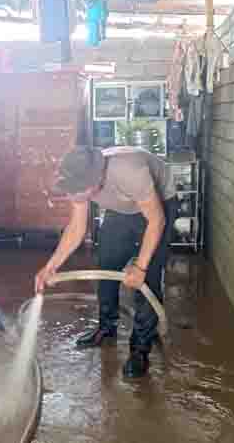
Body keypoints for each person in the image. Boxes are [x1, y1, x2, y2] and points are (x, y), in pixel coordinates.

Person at [34, 145, 177, 378]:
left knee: (148, 278)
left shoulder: (130, 171)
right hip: (121, 206)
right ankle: (106, 327)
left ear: (96, 180)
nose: (73, 197)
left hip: (158, 204)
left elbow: (156, 220)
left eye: (77, 192)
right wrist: (50, 266)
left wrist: (140, 266)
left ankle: (140, 348)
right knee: (108, 262)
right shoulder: (80, 177)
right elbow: (77, 227)